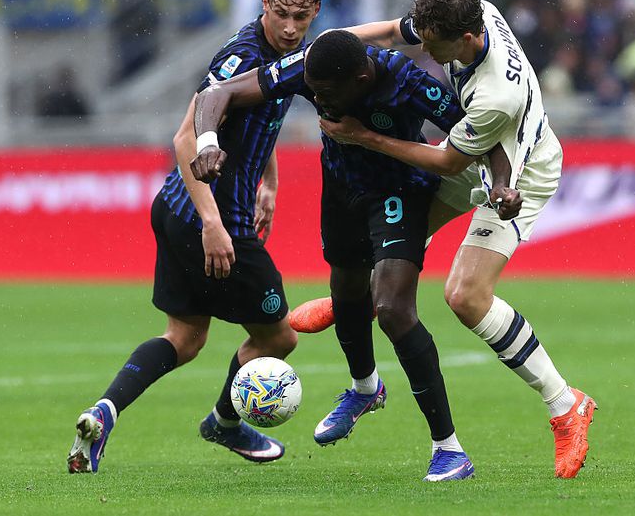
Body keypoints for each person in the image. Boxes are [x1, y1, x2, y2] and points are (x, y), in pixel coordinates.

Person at [317, 0, 597, 479]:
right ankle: (348, 305)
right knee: (391, 248)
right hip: (480, 155)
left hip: (520, 170)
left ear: (465, 41)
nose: (423, 49)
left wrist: (365, 136)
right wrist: (333, 45)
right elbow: (388, 33)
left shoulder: (495, 95)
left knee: (466, 296)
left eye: (433, 44)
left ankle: (565, 403)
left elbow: (446, 160)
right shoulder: (473, 12)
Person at [190, 29, 493, 481]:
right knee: (347, 288)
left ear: (361, 77)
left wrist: (502, 181)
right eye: (313, 92)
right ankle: (365, 388)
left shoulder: (406, 81)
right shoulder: (313, 67)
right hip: (341, 190)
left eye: (328, 93)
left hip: (398, 191)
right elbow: (220, 92)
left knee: (392, 309)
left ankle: (449, 450)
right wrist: (207, 142)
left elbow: (476, 133)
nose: (319, 100)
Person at [66, 0, 324, 473]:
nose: (291, 27)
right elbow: (187, 137)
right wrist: (212, 223)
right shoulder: (241, 58)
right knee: (279, 337)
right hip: (210, 217)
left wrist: (268, 181)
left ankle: (104, 413)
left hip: (174, 208)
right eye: (282, 14)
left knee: (184, 337)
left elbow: (254, 121)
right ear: (264, 5)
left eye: (302, 17)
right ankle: (225, 423)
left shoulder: (282, 56)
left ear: (314, 12)